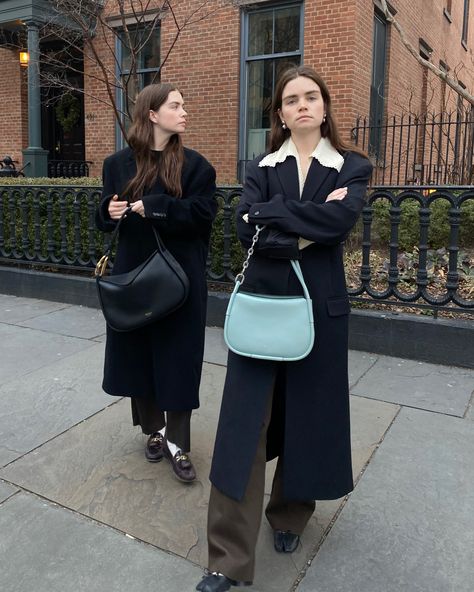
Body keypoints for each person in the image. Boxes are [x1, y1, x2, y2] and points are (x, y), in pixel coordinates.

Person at [196, 65, 373, 592]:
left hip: (321, 311)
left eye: (310, 96)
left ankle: (291, 513)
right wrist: (305, 221)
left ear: (324, 106)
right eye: (290, 99)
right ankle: (226, 559)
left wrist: (276, 218)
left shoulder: (352, 165)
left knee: (307, 417)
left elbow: (340, 224)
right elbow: (244, 223)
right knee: (241, 426)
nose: (301, 105)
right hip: (264, 307)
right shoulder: (262, 165)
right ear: (279, 112)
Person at [96, 83, 217, 483]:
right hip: (135, 277)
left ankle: (178, 443)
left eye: (184, 104)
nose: (184, 112)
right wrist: (108, 212)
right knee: (140, 357)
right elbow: (103, 221)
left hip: (180, 281)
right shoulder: (117, 164)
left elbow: (203, 217)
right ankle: (155, 431)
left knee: (179, 361)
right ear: (152, 114)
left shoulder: (197, 166)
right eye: (176, 105)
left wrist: (159, 208)